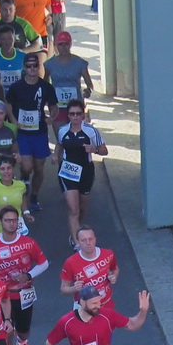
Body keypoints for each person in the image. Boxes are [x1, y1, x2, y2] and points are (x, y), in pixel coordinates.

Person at [53, 98, 108, 241]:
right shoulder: (62, 130)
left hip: (86, 171)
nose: (75, 117)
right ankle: (77, 242)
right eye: (72, 114)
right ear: (68, 115)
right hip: (67, 171)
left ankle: (76, 230)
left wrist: (94, 149)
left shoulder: (91, 131)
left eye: (78, 114)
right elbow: (59, 144)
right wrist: (55, 155)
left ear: (83, 115)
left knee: (82, 208)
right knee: (73, 209)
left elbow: (104, 150)